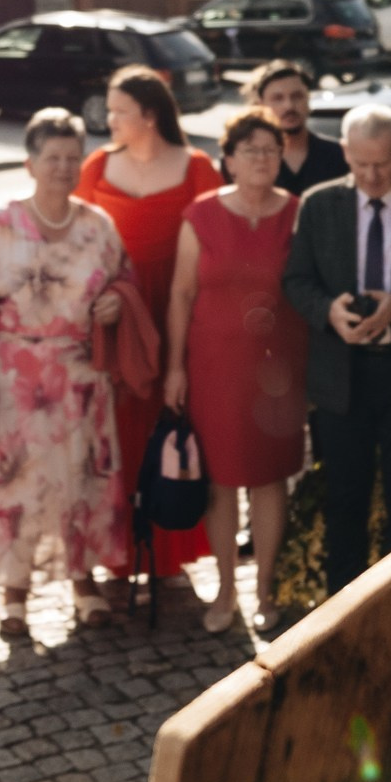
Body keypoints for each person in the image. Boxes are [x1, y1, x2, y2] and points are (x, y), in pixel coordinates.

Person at [0, 109, 132, 637]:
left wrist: (117, 304)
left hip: (80, 376)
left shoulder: (98, 228)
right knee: (16, 482)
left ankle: (83, 579)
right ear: (30, 163)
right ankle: (14, 592)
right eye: (51, 157)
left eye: (72, 158)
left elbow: (126, 283)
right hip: (14, 378)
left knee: (79, 477)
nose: (62, 167)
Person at [283, 106, 391, 595]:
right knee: (344, 506)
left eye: (382, 164)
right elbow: (296, 280)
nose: (372, 177)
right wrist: (329, 311)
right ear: (346, 155)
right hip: (340, 380)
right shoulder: (318, 204)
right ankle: (341, 619)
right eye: (361, 165)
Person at [76, 66, 221, 591]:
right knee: (114, 437)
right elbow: (76, 242)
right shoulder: (95, 166)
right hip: (116, 318)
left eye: (118, 110)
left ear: (150, 114)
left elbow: (217, 246)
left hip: (178, 312)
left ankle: (167, 550)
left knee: (172, 428)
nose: (108, 118)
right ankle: (115, 551)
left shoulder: (197, 167)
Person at [165, 110, 305, 634]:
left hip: (277, 373)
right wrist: (174, 368)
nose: (263, 159)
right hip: (212, 367)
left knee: (270, 480)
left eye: (271, 150)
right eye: (251, 150)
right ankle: (225, 589)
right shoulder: (200, 215)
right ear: (228, 159)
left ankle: (265, 588)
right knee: (220, 482)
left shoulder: (298, 213)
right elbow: (180, 294)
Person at [243, 61, 347, 195]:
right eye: (278, 98)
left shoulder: (338, 156)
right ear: (260, 105)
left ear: (308, 99)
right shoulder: (247, 160)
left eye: (297, 96)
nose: (289, 106)